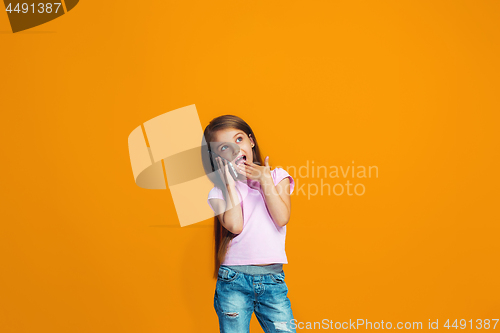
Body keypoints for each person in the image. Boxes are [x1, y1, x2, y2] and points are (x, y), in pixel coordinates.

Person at [201, 115, 297, 333]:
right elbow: (235, 225)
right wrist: (228, 184)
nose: (235, 150)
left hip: (273, 280)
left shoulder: (277, 176)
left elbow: (282, 217)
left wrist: (264, 180)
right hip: (233, 281)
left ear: (251, 141)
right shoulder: (218, 192)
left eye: (239, 139)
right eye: (224, 148)